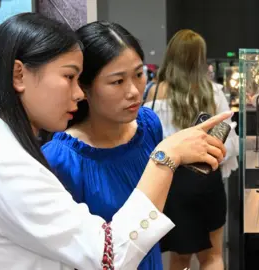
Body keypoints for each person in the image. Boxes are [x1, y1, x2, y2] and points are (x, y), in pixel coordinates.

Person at [0, 13, 232, 269]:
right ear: (19, 75)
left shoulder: (147, 124)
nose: (77, 93)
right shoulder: (12, 165)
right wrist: (164, 158)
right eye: (68, 77)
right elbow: (107, 256)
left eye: (139, 74)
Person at [41, 21, 165, 270]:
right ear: (84, 87)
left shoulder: (149, 124)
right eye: (117, 81)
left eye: (139, 75)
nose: (133, 91)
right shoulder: (61, 159)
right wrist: (169, 157)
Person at [144, 29, 239, 270]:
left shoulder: (154, 93)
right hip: (207, 181)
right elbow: (229, 145)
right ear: (200, 58)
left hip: (171, 183)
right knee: (213, 256)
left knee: (179, 258)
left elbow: (148, 140)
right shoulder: (213, 92)